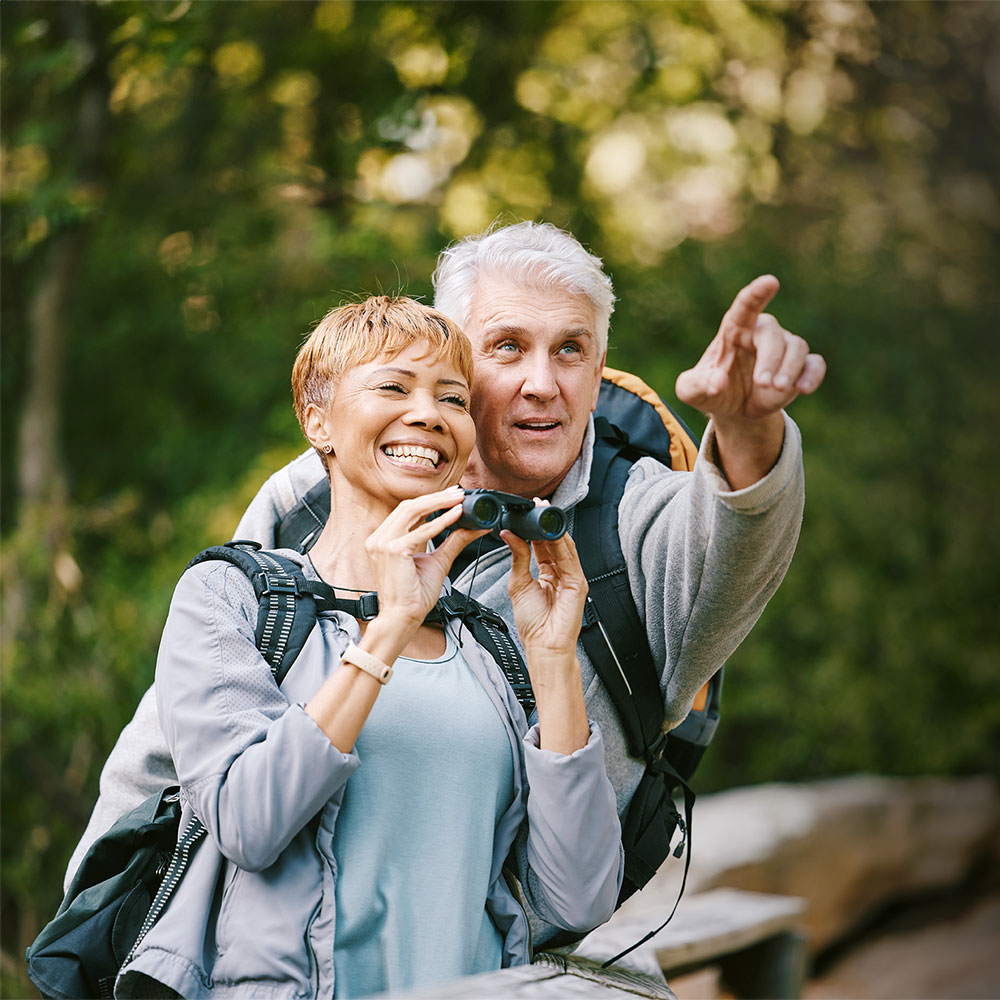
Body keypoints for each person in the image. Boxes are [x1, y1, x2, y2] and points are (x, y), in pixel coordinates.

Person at [68, 221, 823, 942]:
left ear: (599, 370)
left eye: (570, 351)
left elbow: (737, 533)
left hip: (494, 966)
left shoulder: (639, 528)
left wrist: (750, 426)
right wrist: (96, 916)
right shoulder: (315, 495)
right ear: (456, 354)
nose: (541, 382)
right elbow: (183, 727)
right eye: (506, 347)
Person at [114, 296, 623, 999]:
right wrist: (387, 626)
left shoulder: (485, 644)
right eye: (392, 386)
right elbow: (248, 823)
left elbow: (579, 900)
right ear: (316, 422)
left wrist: (554, 654)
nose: (428, 413)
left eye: (451, 398)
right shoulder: (228, 599)